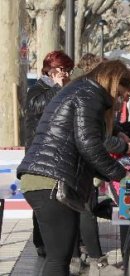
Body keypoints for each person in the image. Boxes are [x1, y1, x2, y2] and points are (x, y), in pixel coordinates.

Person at [17, 60, 130, 276]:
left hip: (47, 178)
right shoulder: (89, 95)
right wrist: (123, 174)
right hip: (51, 181)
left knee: (60, 258)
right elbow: (88, 144)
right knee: (58, 259)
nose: (123, 100)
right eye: (123, 93)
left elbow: (85, 150)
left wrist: (113, 174)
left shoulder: (83, 90)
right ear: (113, 82)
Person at [23, 50, 74, 257]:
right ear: (52, 69)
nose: (66, 74)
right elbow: (35, 106)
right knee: (42, 199)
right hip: (38, 152)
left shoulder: (62, 87)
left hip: (56, 151)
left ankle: (56, 239)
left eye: (68, 70)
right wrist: (57, 87)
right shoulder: (38, 88)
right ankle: (40, 241)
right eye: (63, 69)